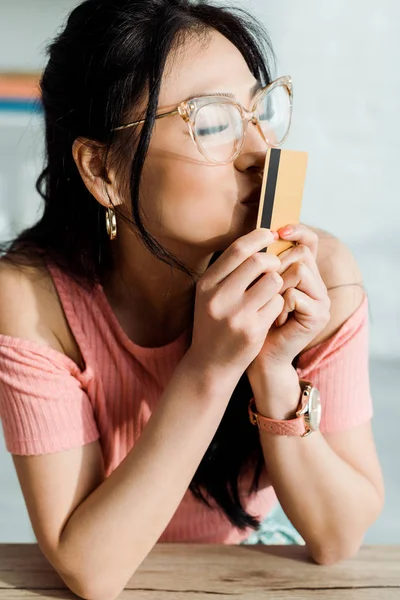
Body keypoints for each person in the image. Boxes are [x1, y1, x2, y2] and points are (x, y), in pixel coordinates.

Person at [0, 1, 384, 599]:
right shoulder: (32, 299)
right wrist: (210, 366)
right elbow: (92, 570)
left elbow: (337, 540)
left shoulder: (321, 276)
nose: (261, 150)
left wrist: (272, 370)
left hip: (257, 566)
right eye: (211, 122)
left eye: (261, 110)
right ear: (103, 171)